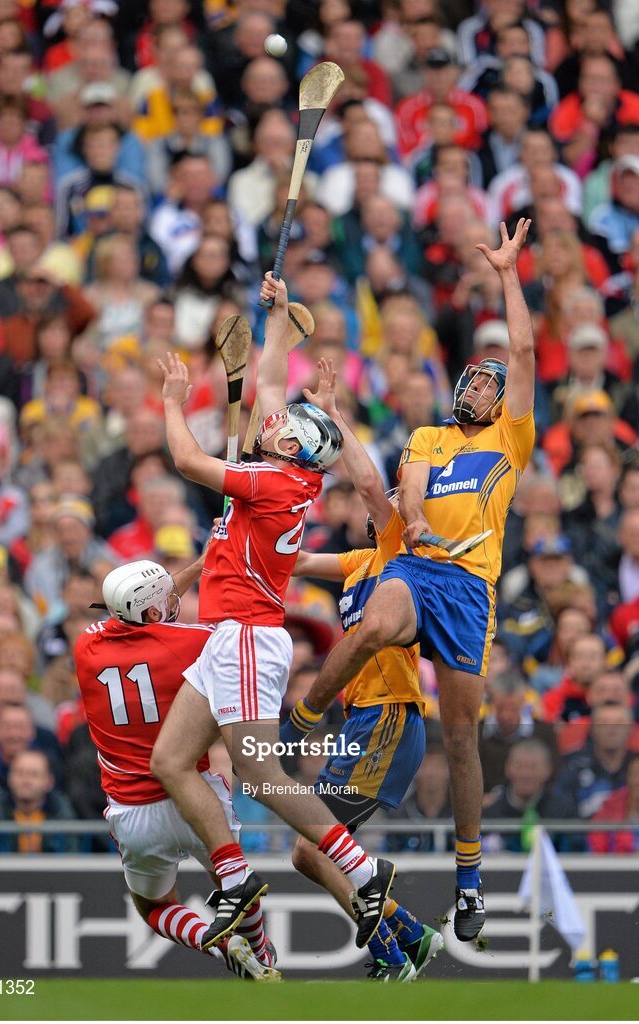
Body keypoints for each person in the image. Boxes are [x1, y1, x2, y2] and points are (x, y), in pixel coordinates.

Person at [304, 220, 536, 942]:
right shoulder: (430, 437)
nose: (479, 384)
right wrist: (418, 523)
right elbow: (403, 489)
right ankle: (304, 720)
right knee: (376, 621)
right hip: (419, 568)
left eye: (490, 381)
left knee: (462, 739)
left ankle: (470, 882)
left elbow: (524, 347)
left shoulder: (510, 439)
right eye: (472, 376)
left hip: (471, 589)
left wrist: (505, 273)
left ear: (503, 399)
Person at [150, 274, 395, 953]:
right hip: (224, 639)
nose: (271, 418)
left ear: (294, 448)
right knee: (170, 759)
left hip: (251, 641)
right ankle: (234, 876)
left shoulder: (271, 481)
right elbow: (266, 390)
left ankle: (363, 869)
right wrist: (280, 319)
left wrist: (174, 401)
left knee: (259, 772)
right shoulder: (285, 472)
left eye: (283, 425)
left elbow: (185, 458)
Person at [284, 357, 443, 981]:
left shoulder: (400, 549)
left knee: (310, 845)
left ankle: (391, 952)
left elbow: (374, 487)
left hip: (389, 717)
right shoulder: (358, 560)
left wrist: (333, 418)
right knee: (307, 851)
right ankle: (407, 936)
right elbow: (292, 562)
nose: (373, 500)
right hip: (364, 721)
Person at [74, 556, 279, 980]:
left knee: (155, 908)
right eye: (169, 597)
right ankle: (263, 950)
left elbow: (146, 611)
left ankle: (216, 940)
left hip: (132, 811)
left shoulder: (87, 646)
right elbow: (232, 633)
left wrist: (203, 562)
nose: (176, 598)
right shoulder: (194, 642)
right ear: (153, 610)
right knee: (233, 880)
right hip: (194, 794)